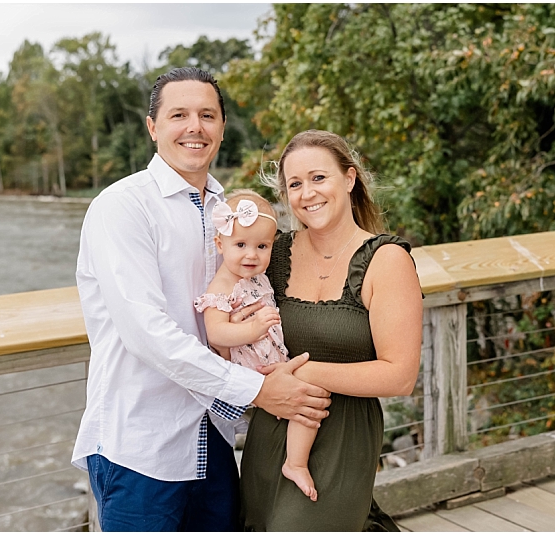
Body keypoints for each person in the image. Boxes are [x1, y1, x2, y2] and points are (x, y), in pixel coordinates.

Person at [70, 68, 331, 532]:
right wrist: (258, 390)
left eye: (207, 115)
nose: (195, 127)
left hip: (212, 438)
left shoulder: (231, 212)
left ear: (222, 128)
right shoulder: (123, 206)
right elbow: (146, 334)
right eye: (179, 115)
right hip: (141, 446)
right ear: (152, 127)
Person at [237, 130, 423, 531]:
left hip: (343, 437)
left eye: (318, 178)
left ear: (350, 179)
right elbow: (228, 308)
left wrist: (304, 373)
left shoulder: (385, 260)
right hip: (272, 431)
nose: (307, 193)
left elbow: (401, 375)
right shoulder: (272, 255)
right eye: (295, 184)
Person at [195, 190, 319, 502]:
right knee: (306, 401)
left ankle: (293, 462)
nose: (251, 255)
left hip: (270, 358)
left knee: (306, 401)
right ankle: (296, 463)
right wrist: (252, 329)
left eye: (261, 246)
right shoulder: (221, 288)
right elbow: (216, 334)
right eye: (240, 245)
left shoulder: (256, 276)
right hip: (251, 369)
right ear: (220, 245)